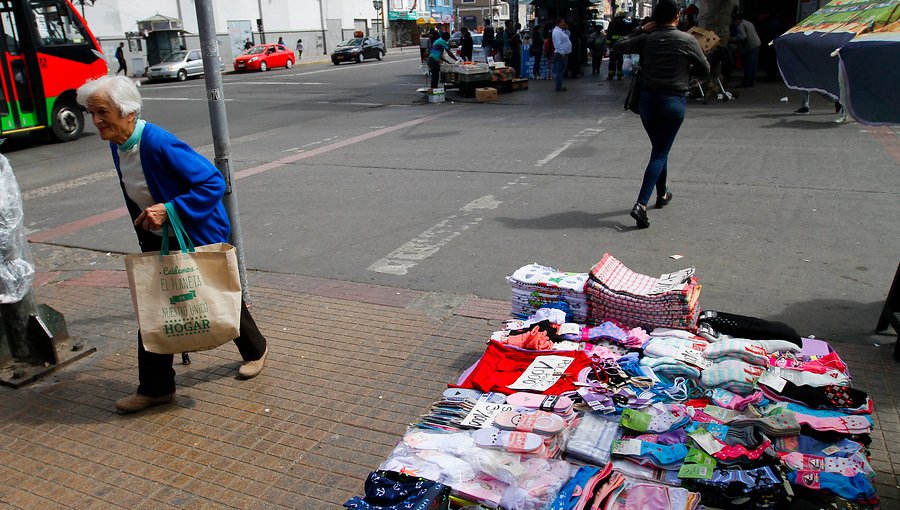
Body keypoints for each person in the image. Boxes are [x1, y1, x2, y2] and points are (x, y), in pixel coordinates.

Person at [75, 76, 269, 413]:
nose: (95, 121)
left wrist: (170, 209)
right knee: (157, 305)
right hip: (158, 233)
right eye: (91, 113)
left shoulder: (159, 143)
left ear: (129, 112)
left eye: (102, 112)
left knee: (214, 293)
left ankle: (255, 350)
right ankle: (156, 388)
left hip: (195, 231)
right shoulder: (117, 142)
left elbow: (213, 182)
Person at [611, 0, 710, 229]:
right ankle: (641, 205)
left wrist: (640, 29)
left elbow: (617, 47)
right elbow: (705, 69)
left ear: (655, 18)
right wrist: (687, 72)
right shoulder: (687, 40)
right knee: (660, 152)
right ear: (677, 15)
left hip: (647, 102)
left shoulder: (647, 38)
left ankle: (662, 194)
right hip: (672, 102)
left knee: (659, 149)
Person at [731, 12, 760, 88]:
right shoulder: (748, 23)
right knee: (753, 64)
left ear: (737, 20)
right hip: (756, 43)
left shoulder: (740, 26)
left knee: (749, 65)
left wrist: (732, 39)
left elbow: (742, 37)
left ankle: (746, 82)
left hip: (750, 45)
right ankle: (751, 81)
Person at [606, 11, 631, 80]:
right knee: (612, 61)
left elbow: (628, 35)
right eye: (618, 18)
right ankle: (611, 75)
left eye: (620, 18)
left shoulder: (626, 25)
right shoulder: (612, 24)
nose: (619, 20)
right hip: (614, 46)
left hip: (621, 46)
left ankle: (619, 75)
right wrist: (609, 45)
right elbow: (609, 35)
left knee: (620, 61)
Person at [551, 18, 572, 92]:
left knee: (562, 70)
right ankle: (558, 87)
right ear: (558, 23)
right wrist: (562, 53)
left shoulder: (561, 31)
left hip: (564, 53)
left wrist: (566, 29)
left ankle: (559, 85)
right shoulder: (556, 32)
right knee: (560, 71)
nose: (564, 24)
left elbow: (568, 35)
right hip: (560, 54)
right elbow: (557, 44)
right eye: (563, 22)